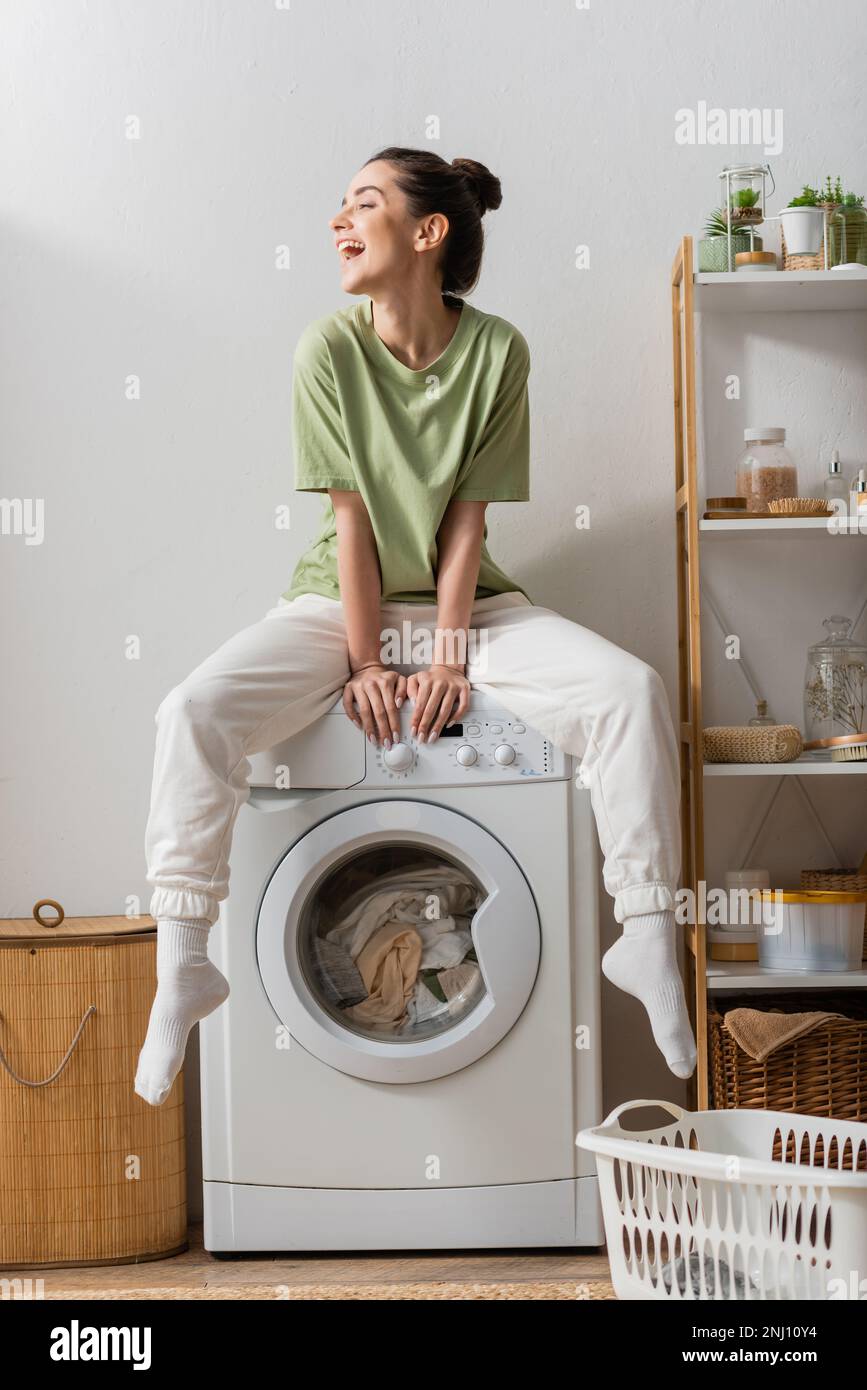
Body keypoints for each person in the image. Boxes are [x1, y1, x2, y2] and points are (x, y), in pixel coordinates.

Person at [135, 146, 696, 1106]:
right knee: (190, 710)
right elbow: (351, 521)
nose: (337, 220)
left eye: (363, 201)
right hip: (333, 602)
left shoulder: (497, 352)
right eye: (340, 203)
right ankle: (184, 957)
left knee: (629, 692)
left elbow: (468, 523)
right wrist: (362, 663)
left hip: (467, 605)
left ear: (428, 232)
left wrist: (444, 654)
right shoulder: (328, 348)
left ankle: (644, 935)